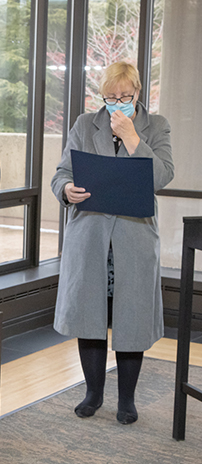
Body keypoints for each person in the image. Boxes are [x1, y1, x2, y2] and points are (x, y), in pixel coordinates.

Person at [51, 61, 174, 425]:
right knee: (90, 317)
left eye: (124, 96)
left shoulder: (157, 126)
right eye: (110, 96)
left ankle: (127, 400)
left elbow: (163, 176)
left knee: (130, 319)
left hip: (133, 239)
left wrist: (133, 138)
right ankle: (93, 393)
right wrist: (66, 190)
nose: (117, 102)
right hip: (89, 236)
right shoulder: (84, 124)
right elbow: (62, 172)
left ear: (138, 93)